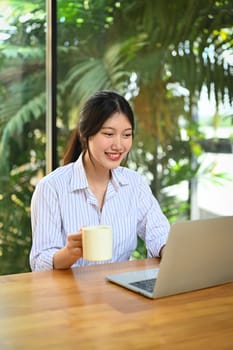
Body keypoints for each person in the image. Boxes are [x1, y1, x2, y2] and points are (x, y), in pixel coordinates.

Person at [30, 90, 170, 271]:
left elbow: (159, 233)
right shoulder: (52, 187)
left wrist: (170, 252)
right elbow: (40, 261)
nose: (118, 145)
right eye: (109, 134)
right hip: (70, 295)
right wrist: (69, 253)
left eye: (126, 135)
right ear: (85, 134)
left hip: (120, 291)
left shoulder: (134, 184)